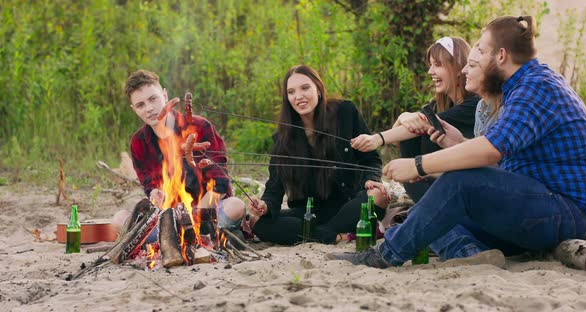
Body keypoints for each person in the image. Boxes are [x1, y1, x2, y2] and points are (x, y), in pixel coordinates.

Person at [327, 16, 586, 268]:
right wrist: (460, 143)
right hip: (536, 210)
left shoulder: (536, 86)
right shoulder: (520, 88)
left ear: (500, 56)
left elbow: (490, 151)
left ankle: (384, 256)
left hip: (564, 213)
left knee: (457, 182)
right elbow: (503, 167)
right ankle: (470, 254)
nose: (465, 70)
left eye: (475, 61)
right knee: (432, 210)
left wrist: (419, 165)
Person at [248, 65, 391, 245]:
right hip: (309, 213)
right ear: (287, 99)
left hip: (349, 205)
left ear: (318, 88)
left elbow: (371, 159)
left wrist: (371, 179)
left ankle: (320, 234)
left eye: (305, 88)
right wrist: (265, 205)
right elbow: (274, 189)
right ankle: (337, 235)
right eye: (291, 92)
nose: (298, 96)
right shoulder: (282, 139)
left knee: (378, 196)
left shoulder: (345, 112)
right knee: (257, 222)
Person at [115, 70, 246, 242]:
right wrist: (155, 194)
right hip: (170, 221)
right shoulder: (138, 142)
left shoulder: (199, 127)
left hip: (207, 213)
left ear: (164, 95)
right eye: (140, 105)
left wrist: (195, 216)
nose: (149, 108)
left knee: (236, 206)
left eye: (153, 99)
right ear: (134, 109)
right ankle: (180, 239)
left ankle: (190, 237)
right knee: (119, 219)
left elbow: (220, 185)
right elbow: (149, 185)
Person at [351, 37, 480, 202]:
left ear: (458, 68)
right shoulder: (438, 105)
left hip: (457, 189)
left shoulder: (473, 105)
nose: (430, 71)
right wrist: (403, 117)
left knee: (414, 136)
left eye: (438, 65)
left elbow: (425, 123)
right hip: (428, 185)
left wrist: (377, 139)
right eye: (430, 65)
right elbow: (403, 135)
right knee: (411, 136)